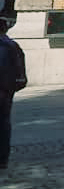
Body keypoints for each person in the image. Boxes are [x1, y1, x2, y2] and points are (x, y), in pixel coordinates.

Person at [0, 19, 27, 169]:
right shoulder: (13, 46)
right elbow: (21, 75)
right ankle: (2, 159)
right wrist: (10, 89)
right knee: (4, 124)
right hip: (6, 92)